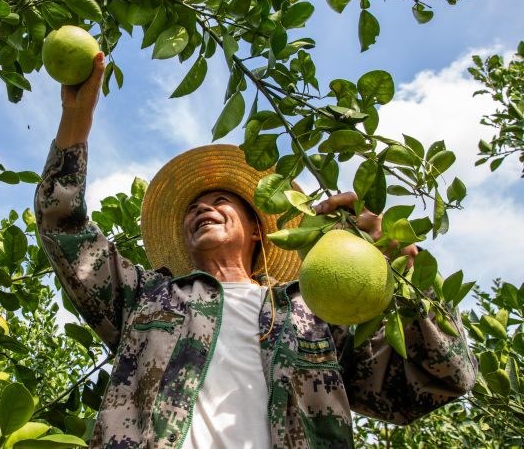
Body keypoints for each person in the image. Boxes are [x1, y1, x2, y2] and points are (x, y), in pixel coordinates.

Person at [34, 52, 476, 448]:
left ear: (256, 231)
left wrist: (400, 263)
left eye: (219, 201)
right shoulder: (146, 298)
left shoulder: (316, 316)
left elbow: (441, 379)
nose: (202, 209)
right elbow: (63, 228)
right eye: (193, 209)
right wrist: (77, 118)